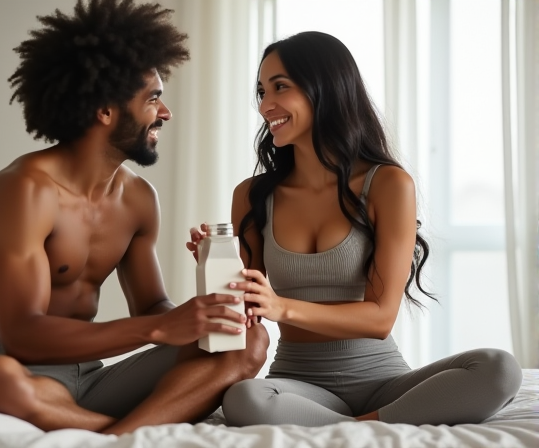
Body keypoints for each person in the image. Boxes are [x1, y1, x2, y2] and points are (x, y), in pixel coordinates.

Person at [0, 0, 268, 436]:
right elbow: (21, 335)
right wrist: (161, 327)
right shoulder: (23, 190)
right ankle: (129, 433)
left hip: (95, 377)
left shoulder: (139, 197)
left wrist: (208, 313)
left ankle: (114, 435)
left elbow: (152, 308)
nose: (165, 112)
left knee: (246, 342)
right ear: (104, 110)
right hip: (19, 369)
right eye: (153, 99)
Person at [187, 31, 522, 427]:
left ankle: (354, 425)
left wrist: (283, 306)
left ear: (324, 89)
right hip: (298, 385)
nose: (265, 105)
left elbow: (380, 318)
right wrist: (215, 265)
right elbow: (247, 311)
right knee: (245, 396)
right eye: (261, 91)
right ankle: (380, 426)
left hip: (382, 382)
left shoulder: (388, 185)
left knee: (499, 367)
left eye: (280, 87)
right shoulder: (252, 195)